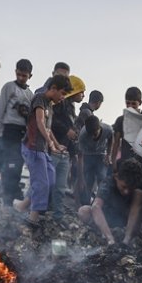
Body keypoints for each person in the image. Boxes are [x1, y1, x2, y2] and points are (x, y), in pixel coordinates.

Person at [13, 75, 72, 225]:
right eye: (63, 93)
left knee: (50, 181)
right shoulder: (39, 98)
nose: (63, 97)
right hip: (33, 147)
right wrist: (50, 143)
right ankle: (33, 217)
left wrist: (56, 145)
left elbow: (48, 128)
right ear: (53, 89)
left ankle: (22, 205)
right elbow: (39, 121)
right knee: (42, 183)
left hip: (43, 149)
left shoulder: (50, 105)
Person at [0, 58, 34, 206]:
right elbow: (0, 109)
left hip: (21, 133)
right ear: (15, 72)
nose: (20, 78)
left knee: (15, 166)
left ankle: (10, 198)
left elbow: (29, 118)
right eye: (18, 74)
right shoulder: (9, 87)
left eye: (24, 76)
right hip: (7, 130)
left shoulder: (30, 95)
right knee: (0, 164)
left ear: (30, 76)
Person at [78, 158, 142, 245]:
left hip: (125, 223)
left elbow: (134, 214)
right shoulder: (108, 183)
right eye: (123, 187)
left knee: (139, 194)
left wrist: (126, 240)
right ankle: (103, 233)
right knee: (83, 211)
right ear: (116, 177)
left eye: (130, 188)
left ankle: (126, 235)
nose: (126, 191)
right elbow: (96, 207)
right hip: (106, 220)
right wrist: (110, 239)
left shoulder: (137, 190)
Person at [50, 75, 85, 213]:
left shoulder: (70, 107)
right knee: (49, 181)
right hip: (54, 148)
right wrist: (66, 131)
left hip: (64, 151)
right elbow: (51, 122)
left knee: (60, 185)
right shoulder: (60, 103)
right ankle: (42, 207)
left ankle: (57, 212)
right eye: (81, 91)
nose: (83, 95)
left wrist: (72, 152)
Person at [78, 115, 113, 203]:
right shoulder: (83, 135)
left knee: (102, 177)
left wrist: (108, 155)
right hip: (88, 155)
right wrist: (81, 177)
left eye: (95, 134)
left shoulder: (107, 129)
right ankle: (86, 204)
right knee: (88, 180)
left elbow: (111, 139)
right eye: (90, 135)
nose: (93, 137)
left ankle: (100, 203)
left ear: (99, 128)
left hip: (101, 154)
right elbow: (80, 156)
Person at [110, 87, 142, 169]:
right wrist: (113, 163)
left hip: (141, 162)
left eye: (134, 104)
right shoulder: (120, 120)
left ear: (140, 103)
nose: (130, 107)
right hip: (125, 162)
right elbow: (116, 143)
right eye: (128, 103)